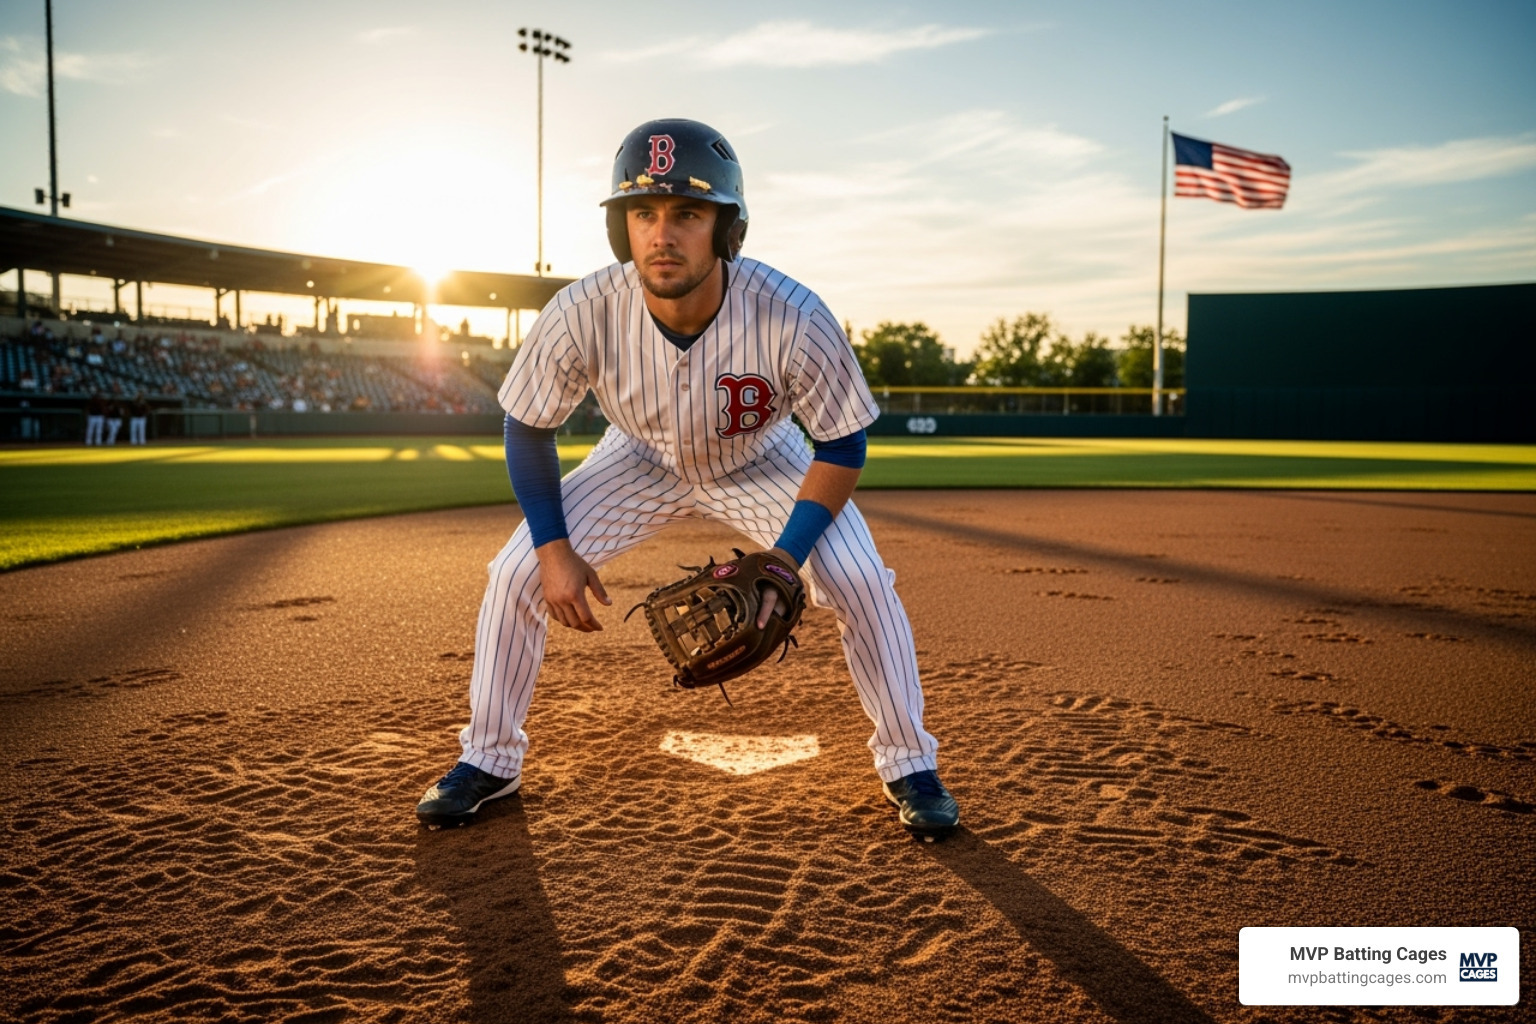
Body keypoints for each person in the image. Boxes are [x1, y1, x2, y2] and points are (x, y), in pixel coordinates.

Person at [416, 119, 958, 839]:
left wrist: (784, 560)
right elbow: (528, 426)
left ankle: (910, 764)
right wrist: (553, 549)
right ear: (622, 229)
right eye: (643, 213)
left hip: (761, 458)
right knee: (515, 572)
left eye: (687, 213)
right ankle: (489, 759)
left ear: (725, 228)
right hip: (635, 457)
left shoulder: (793, 315)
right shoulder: (582, 311)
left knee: (859, 579)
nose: (662, 234)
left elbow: (842, 443)